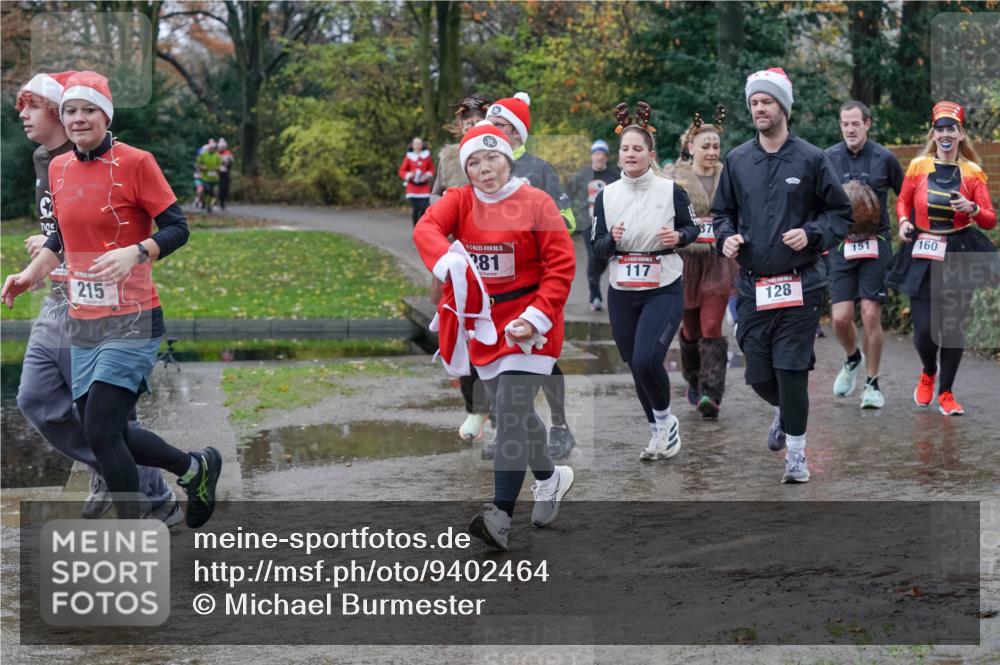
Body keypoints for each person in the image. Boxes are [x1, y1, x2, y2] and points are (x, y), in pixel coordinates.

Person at [2, 71, 222, 525]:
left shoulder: (136, 162)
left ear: (106, 115)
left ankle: (137, 529)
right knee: (111, 432)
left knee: (101, 430)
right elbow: (59, 238)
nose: (79, 118)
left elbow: (178, 227)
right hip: (84, 319)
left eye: (88, 110)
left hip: (132, 316)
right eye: (71, 111)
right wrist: (29, 275)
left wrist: (138, 251)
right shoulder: (59, 167)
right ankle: (194, 467)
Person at [413, 121, 576, 550]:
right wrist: (445, 259)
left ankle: (499, 516)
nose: (485, 169)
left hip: (533, 326)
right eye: (475, 162)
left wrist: (536, 318)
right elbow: (425, 229)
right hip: (483, 325)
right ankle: (550, 477)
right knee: (515, 415)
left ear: (508, 158)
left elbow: (561, 268)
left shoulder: (537, 203)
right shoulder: (459, 200)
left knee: (509, 407)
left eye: (493, 158)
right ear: (465, 169)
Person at [713, 68, 851, 484]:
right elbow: (723, 213)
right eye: (754, 102)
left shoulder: (811, 159)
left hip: (801, 282)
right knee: (758, 374)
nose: (759, 108)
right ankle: (784, 411)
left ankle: (796, 454)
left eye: (767, 102)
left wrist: (811, 233)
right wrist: (726, 237)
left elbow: (839, 213)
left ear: (783, 108)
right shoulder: (737, 160)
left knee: (791, 369)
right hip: (753, 286)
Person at [592, 105, 699, 460]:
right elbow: (596, 246)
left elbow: (692, 228)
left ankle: (666, 421)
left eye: (638, 149)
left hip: (662, 284)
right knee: (634, 363)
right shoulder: (606, 196)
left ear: (651, 154)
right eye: (625, 149)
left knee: (647, 357)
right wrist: (612, 239)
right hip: (622, 287)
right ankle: (658, 432)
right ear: (619, 154)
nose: (631, 154)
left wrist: (678, 237)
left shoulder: (671, 190)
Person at [887, 101, 998, 416]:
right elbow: (904, 201)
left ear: (960, 134)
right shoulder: (919, 166)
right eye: (940, 129)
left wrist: (972, 209)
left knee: (952, 327)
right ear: (933, 134)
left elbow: (990, 219)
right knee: (923, 329)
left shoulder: (973, 173)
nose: (945, 134)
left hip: (960, 250)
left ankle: (947, 392)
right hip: (923, 249)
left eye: (952, 129)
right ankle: (927, 371)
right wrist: (905, 222)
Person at [486, 92, 576, 460]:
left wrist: (530, 221)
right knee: (494, 357)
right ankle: (504, 428)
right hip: (494, 287)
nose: (495, 133)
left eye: (503, 127)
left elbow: (569, 222)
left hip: (535, 284)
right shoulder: (480, 167)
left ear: (519, 132)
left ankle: (559, 425)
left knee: (542, 358)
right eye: (491, 126)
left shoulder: (540, 171)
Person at [824, 101, 905, 409]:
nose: (850, 129)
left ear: (867, 124)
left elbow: (904, 196)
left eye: (855, 123)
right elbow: (818, 200)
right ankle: (852, 358)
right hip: (842, 245)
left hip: (876, 242)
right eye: (845, 124)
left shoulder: (885, 158)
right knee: (840, 318)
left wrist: (907, 222)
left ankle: (872, 384)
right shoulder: (828, 158)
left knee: (871, 314)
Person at [430, 95, 494, 442]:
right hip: (459, 253)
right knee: (462, 335)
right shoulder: (448, 158)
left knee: (496, 335)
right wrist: (449, 208)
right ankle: (474, 408)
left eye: (477, 119)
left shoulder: (502, 157)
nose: (471, 125)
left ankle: (500, 409)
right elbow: (434, 197)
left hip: (497, 255)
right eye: (466, 122)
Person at [671, 107, 739, 418]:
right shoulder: (674, 178)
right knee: (690, 328)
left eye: (716, 146)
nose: (712, 152)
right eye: (706, 146)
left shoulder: (730, 175)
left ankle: (713, 393)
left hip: (718, 260)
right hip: (685, 260)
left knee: (713, 324)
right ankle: (693, 378)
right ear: (691, 148)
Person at [569, 139, 620, 311]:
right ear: (592, 156)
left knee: (603, 257)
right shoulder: (582, 175)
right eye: (596, 153)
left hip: (607, 223)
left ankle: (595, 279)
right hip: (588, 223)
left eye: (602, 154)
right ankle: (595, 296)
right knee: (593, 255)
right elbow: (568, 194)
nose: (599, 157)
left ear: (606, 157)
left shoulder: (614, 175)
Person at [398, 137, 435, 226]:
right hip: (412, 187)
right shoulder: (408, 157)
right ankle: (416, 227)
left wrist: (428, 174)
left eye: (419, 143)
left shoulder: (427, 156)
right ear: (412, 145)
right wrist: (408, 174)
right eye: (416, 144)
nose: (418, 145)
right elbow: (402, 171)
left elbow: (432, 168)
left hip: (424, 187)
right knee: (416, 208)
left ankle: (420, 226)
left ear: (422, 145)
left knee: (424, 208)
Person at [195, 140, 222, 213]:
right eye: (211, 148)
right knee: (207, 190)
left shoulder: (217, 156)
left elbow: (220, 164)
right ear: (208, 148)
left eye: (213, 148)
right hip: (205, 177)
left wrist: (217, 168)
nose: (212, 149)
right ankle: (203, 201)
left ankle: (208, 205)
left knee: (211, 192)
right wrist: (202, 167)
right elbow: (198, 163)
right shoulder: (203, 155)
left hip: (214, 178)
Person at [217, 138, 234, 211]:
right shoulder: (216, 153)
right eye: (221, 147)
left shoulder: (228, 153)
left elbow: (232, 162)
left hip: (226, 172)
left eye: (223, 147)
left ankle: (223, 200)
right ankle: (221, 202)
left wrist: (228, 164)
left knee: (226, 188)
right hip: (217, 172)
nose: (222, 148)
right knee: (221, 188)